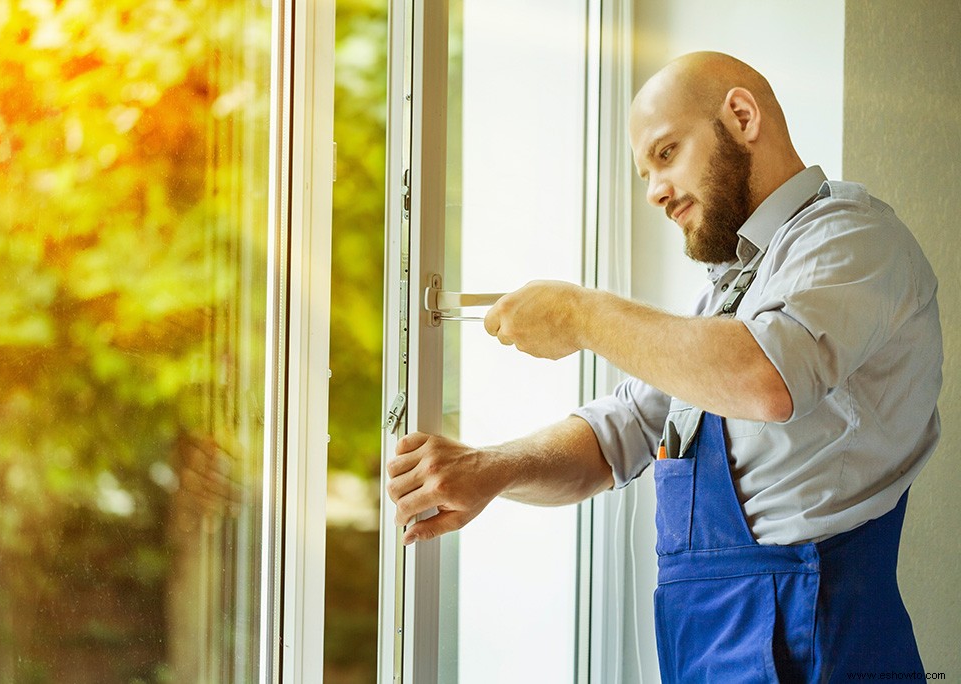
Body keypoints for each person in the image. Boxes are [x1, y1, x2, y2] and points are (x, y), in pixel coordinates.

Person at [385, 51, 942, 681]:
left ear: (740, 115)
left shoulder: (851, 239)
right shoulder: (732, 291)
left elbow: (766, 380)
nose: (654, 192)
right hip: (709, 642)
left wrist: (579, 314)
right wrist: (489, 470)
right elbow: (620, 431)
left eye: (666, 153)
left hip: (817, 645)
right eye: (646, 171)